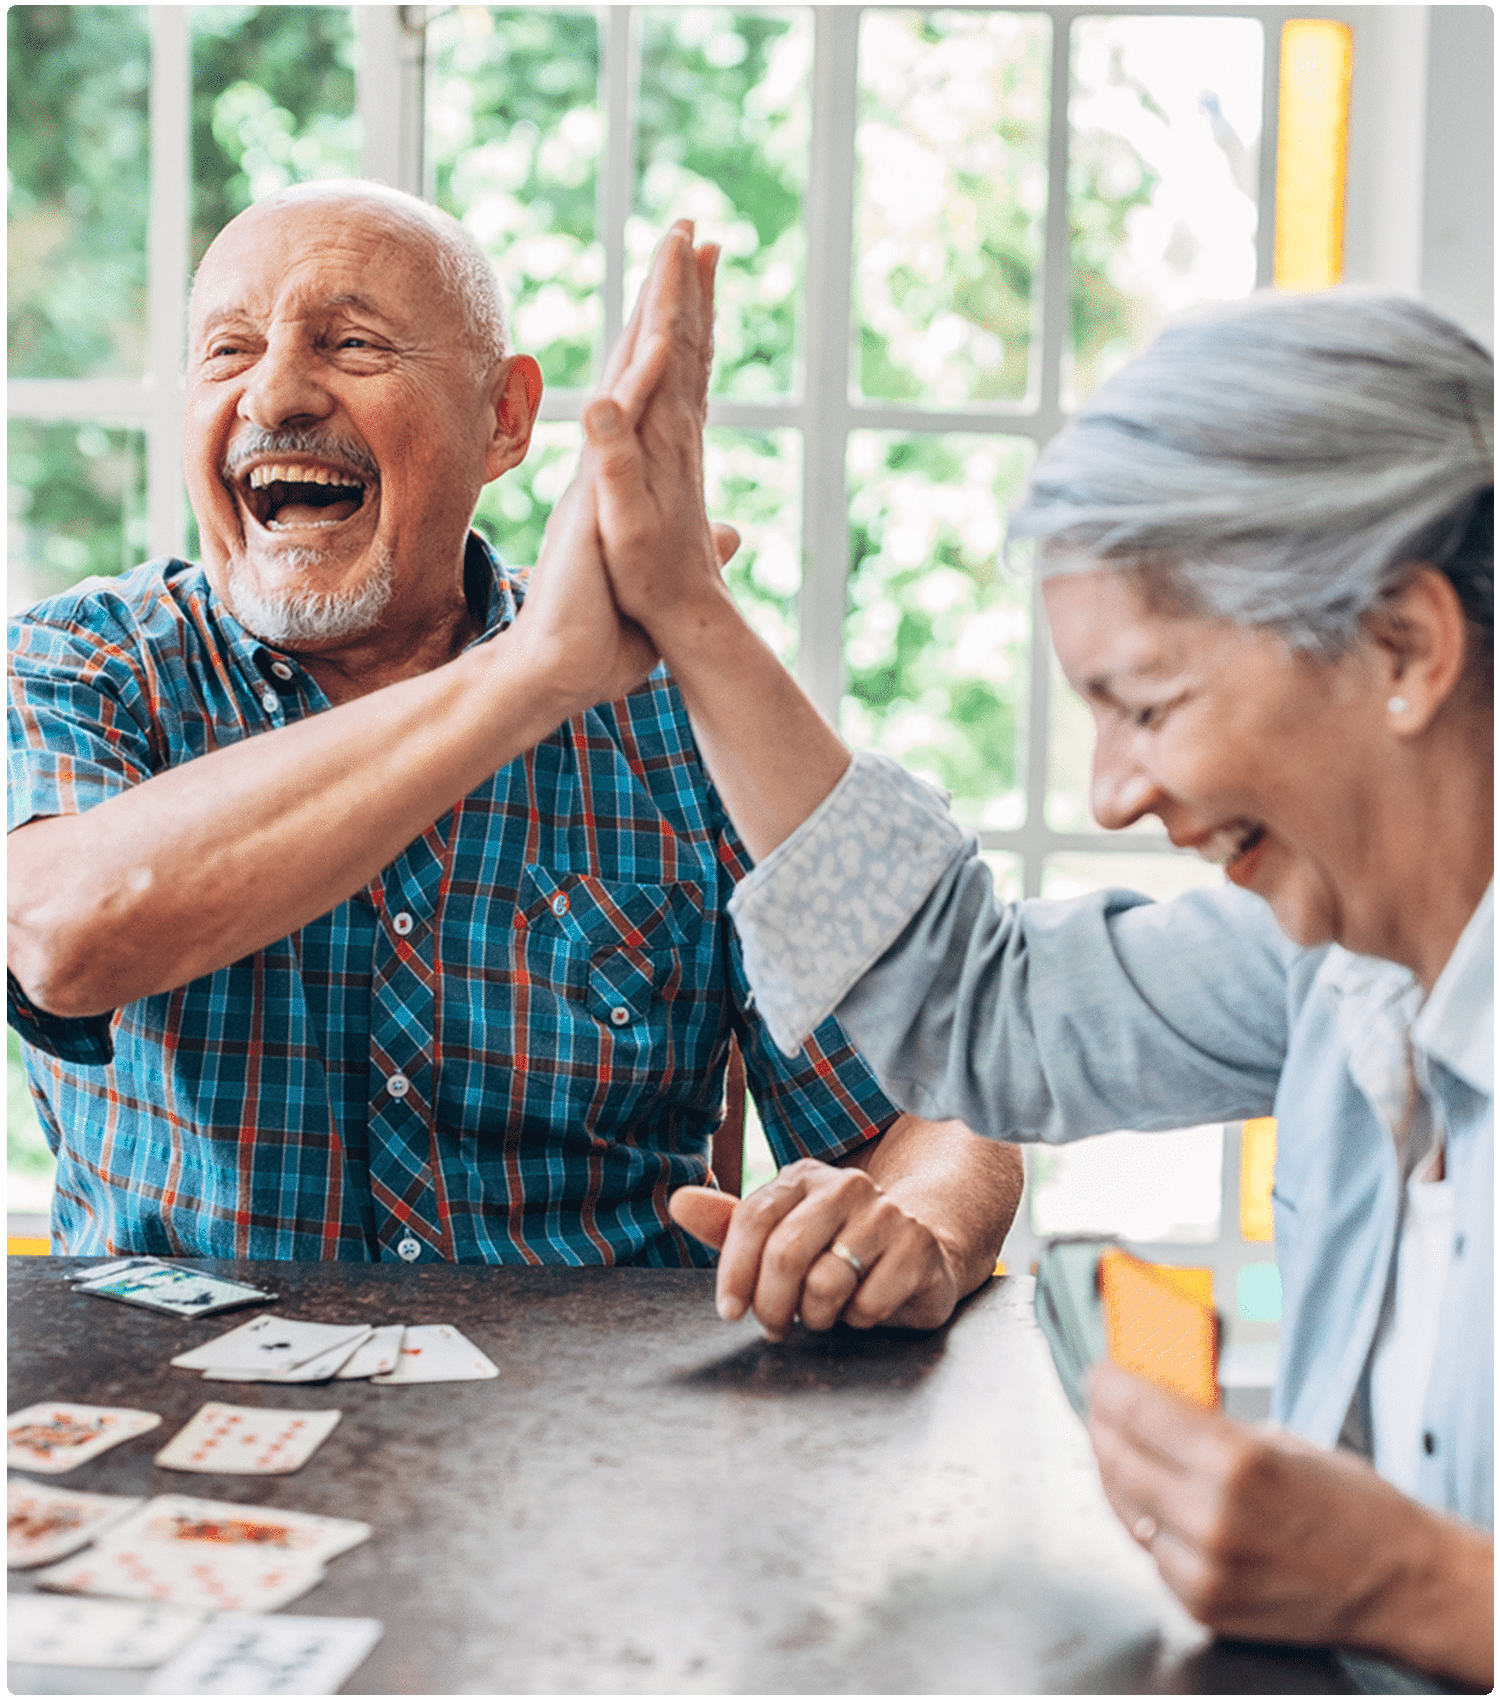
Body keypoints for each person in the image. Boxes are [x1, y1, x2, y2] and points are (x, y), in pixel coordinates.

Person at [540, 224, 1493, 1686]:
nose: (1114, 791)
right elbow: (983, 1006)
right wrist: (684, 605)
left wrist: (1416, 1584)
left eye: (1150, 706)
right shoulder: (1327, 960)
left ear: (1406, 651)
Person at [5, 180, 1022, 1341]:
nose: (277, 392)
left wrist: (916, 1229)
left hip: (593, 1445)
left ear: (503, 419)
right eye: (225, 350)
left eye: (351, 344)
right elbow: (65, 936)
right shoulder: (87, 664)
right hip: (182, 1432)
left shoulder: (675, 715)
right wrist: (530, 674)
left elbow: (936, 1103)